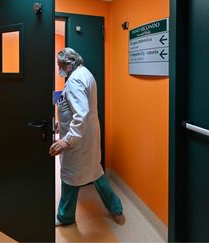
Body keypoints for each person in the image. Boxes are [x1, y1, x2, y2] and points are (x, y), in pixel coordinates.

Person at [50, 47, 125, 226]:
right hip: (88, 135)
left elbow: (80, 114)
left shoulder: (75, 80)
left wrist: (67, 140)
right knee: (96, 172)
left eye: (60, 66)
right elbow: (77, 107)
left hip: (78, 140)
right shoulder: (85, 73)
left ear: (69, 64)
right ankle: (116, 209)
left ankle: (65, 217)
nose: (59, 69)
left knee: (69, 177)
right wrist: (61, 122)